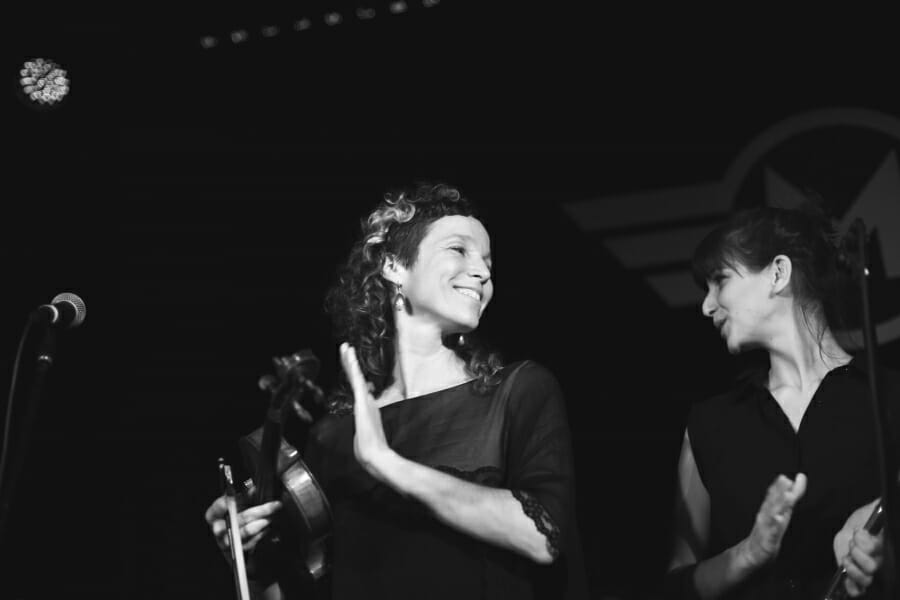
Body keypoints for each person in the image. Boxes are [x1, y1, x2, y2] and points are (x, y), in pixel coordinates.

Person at [205, 182, 588, 599]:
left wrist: (386, 463)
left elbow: (544, 536)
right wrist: (249, 564)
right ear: (393, 266)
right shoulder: (334, 436)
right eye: (458, 250)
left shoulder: (518, 390)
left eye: (487, 261)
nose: (483, 271)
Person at [665, 204, 900, 599]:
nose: (706, 306)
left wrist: (887, 548)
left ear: (778, 273)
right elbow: (675, 586)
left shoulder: (888, 397)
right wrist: (749, 553)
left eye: (720, 280)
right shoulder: (709, 424)